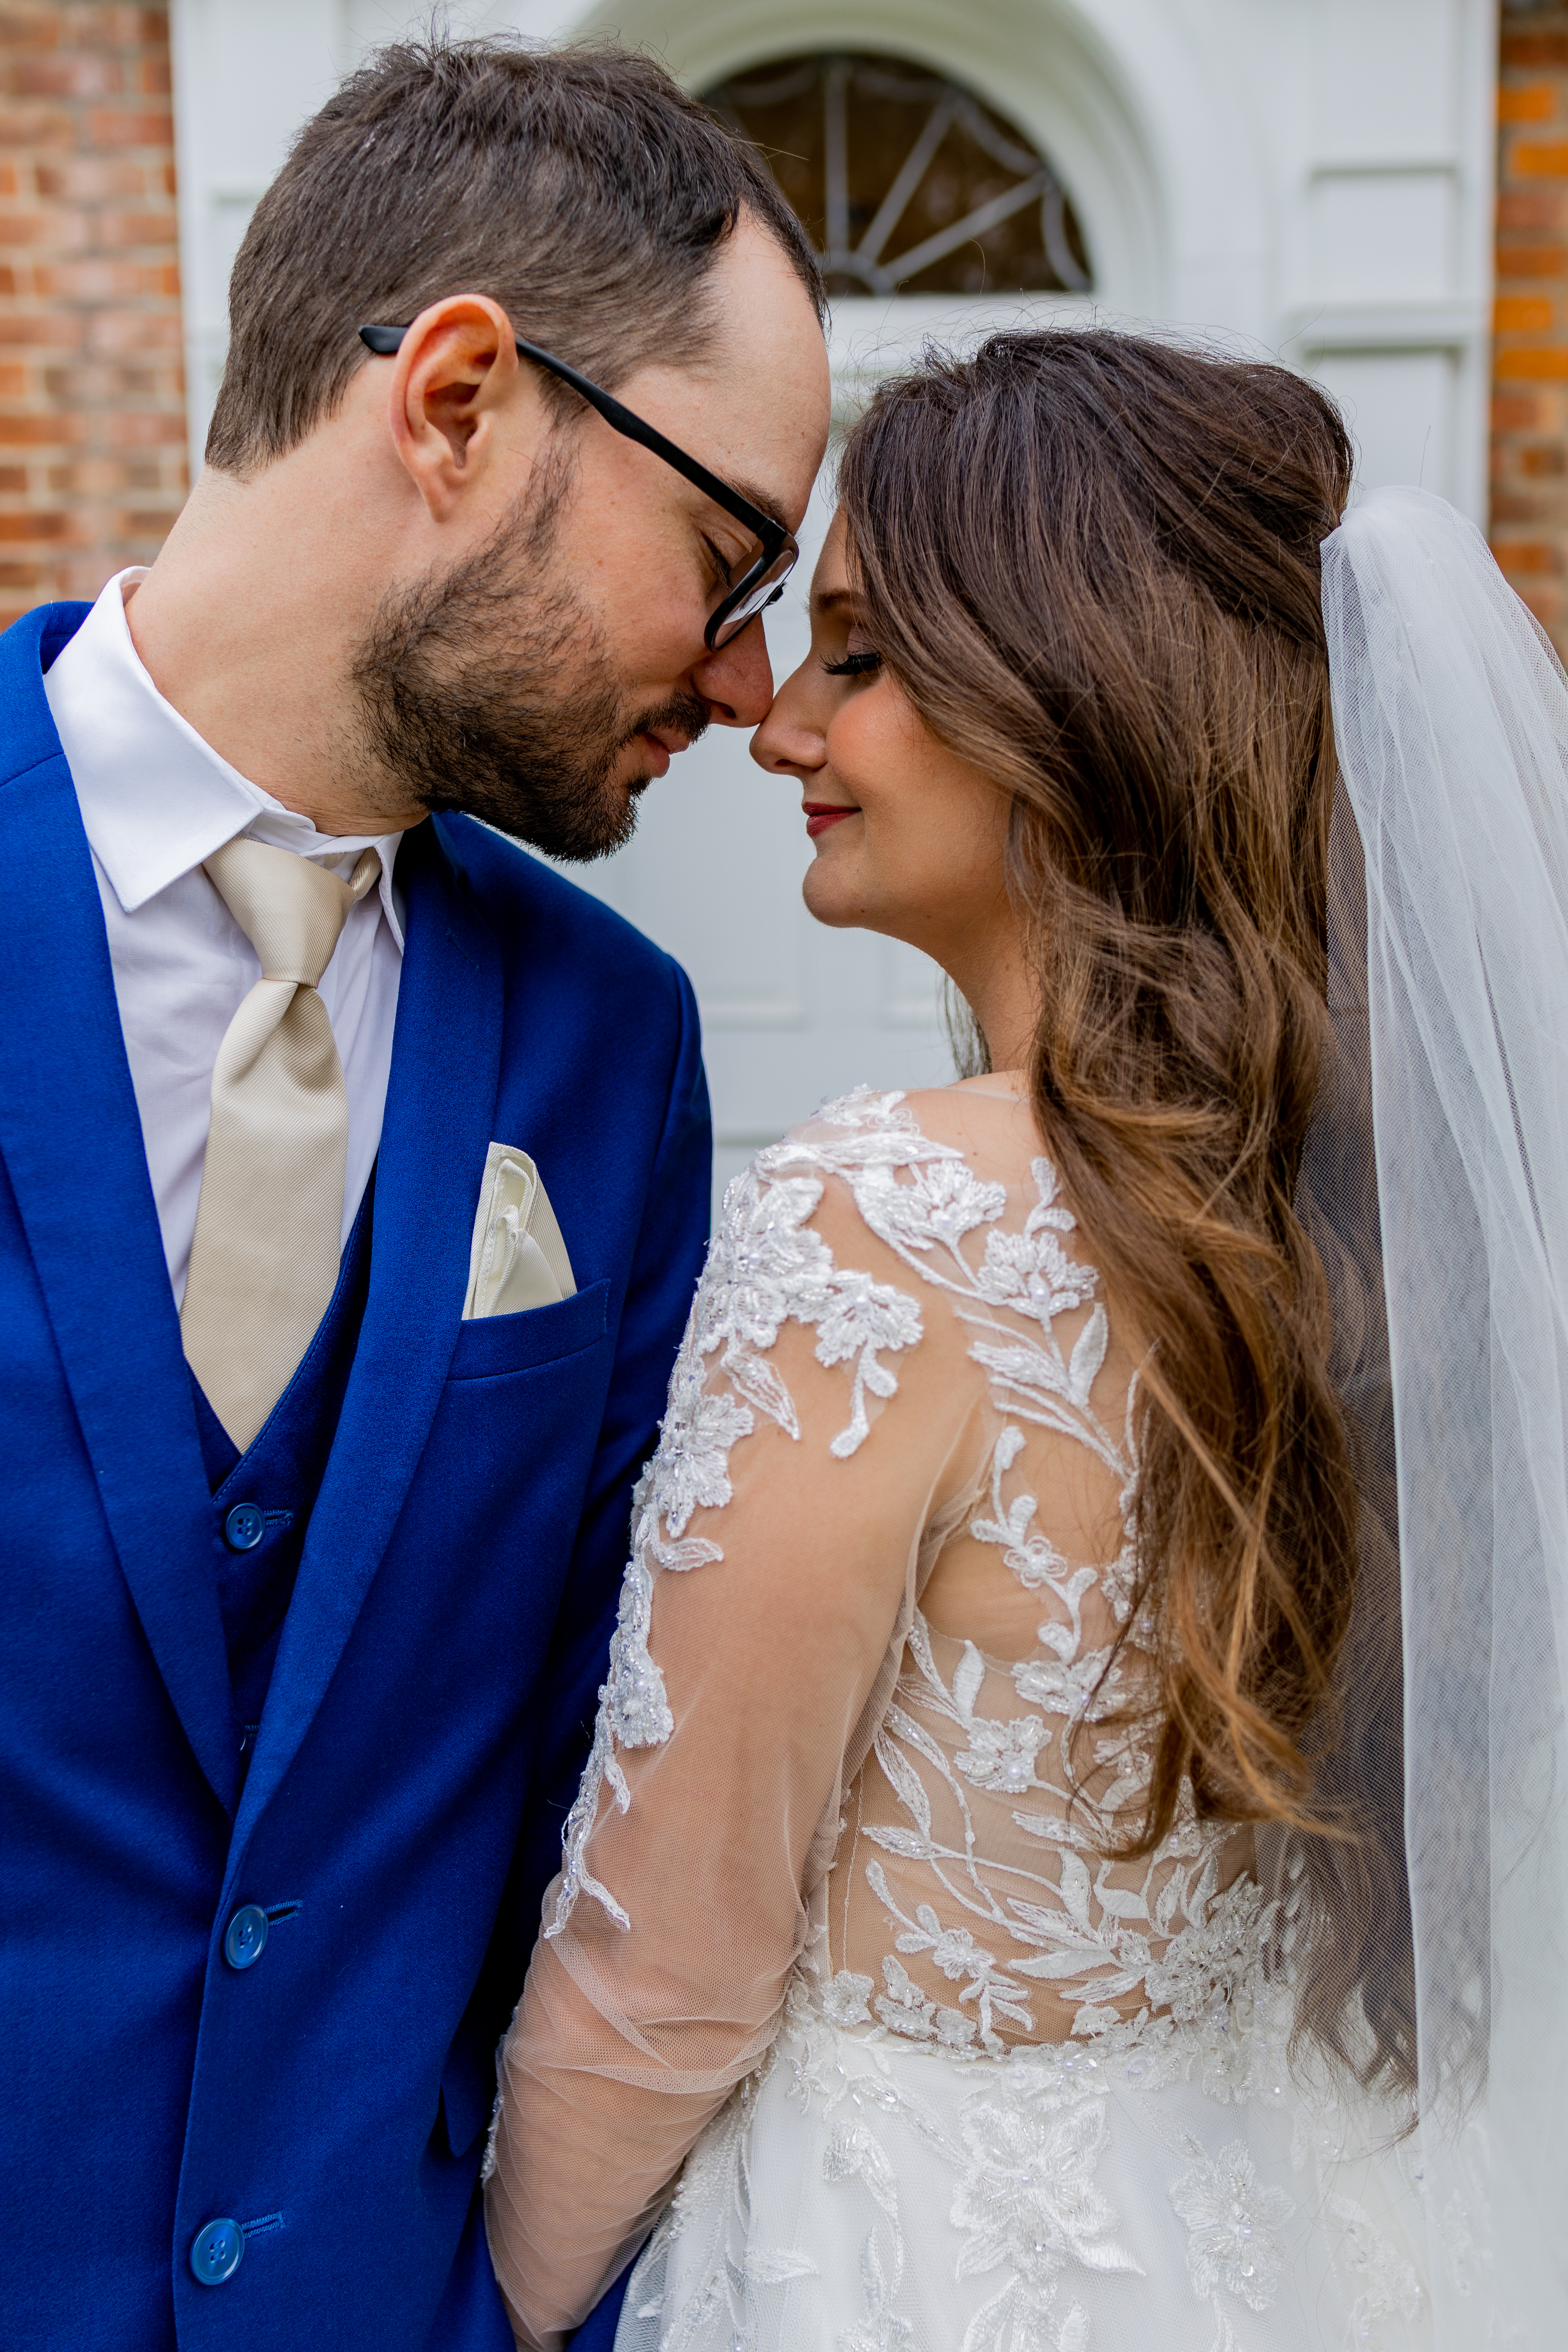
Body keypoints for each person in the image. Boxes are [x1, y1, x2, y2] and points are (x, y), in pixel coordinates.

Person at [484, 330, 1568, 2349]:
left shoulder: (892, 1218)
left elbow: (671, 1969)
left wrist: (499, 2311)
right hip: (1284, 2232)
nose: (782, 726)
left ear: (1073, 694)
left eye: (863, 658)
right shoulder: (1350, 1223)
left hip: (903, 2272)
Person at [0, 36, 828, 2352]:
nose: (754, 678)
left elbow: (593, 1760)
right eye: (730, 551)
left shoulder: (609, 1043)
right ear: (458, 400)